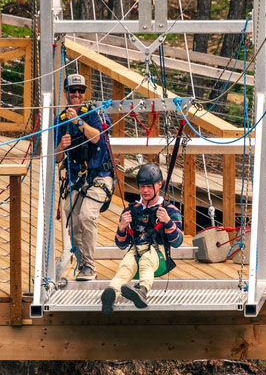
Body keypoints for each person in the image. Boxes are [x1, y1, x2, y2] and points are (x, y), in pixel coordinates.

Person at [101, 163, 183, 314]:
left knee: (146, 259)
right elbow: (121, 244)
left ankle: (142, 291)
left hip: (159, 258)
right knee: (126, 264)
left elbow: (177, 242)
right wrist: (122, 227)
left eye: (149, 186)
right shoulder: (131, 210)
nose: (145, 190)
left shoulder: (169, 211)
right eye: (142, 186)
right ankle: (111, 293)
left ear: (159, 185)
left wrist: (167, 222)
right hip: (136, 252)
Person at [56, 74, 114, 281]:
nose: (77, 94)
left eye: (81, 91)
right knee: (72, 220)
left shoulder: (94, 114)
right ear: (65, 93)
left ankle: (89, 266)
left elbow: (97, 137)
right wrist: (61, 147)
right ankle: (82, 265)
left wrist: (78, 121)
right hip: (76, 177)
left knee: (87, 215)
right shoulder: (60, 121)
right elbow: (56, 158)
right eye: (73, 91)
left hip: (100, 175)